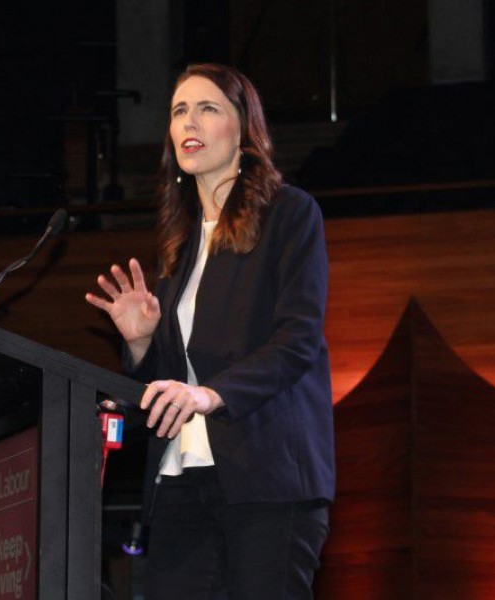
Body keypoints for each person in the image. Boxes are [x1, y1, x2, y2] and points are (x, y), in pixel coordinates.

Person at [85, 63, 335, 600]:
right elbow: (170, 382)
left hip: (268, 476)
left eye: (207, 108)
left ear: (243, 130)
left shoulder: (290, 214)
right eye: (178, 111)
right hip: (181, 478)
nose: (188, 121)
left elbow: (298, 341)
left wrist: (210, 393)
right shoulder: (179, 245)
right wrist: (141, 342)